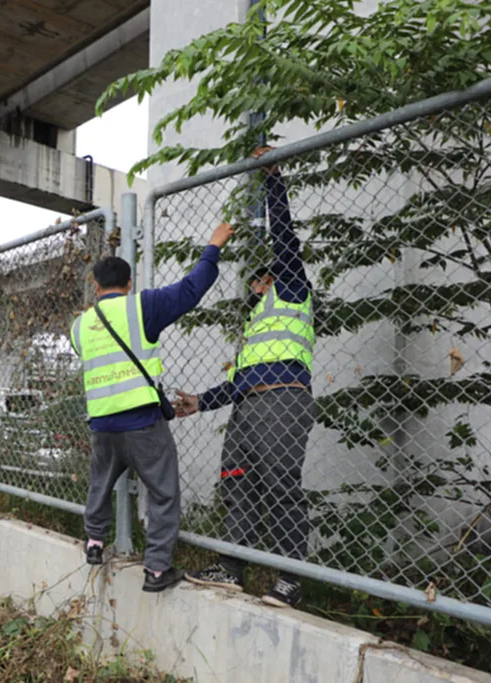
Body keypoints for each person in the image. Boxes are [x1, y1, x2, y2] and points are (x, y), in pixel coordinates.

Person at [176, 146, 316, 609]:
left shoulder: (293, 289)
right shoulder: (254, 329)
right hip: (248, 403)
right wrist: (201, 401)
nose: (253, 287)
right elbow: (237, 383)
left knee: (279, 484)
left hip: (282, 400)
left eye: (259, 280)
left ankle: (290, 579)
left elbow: (286, 242)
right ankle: (231, 569)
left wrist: (274, 180)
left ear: (274, 279)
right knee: (236, 480)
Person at [69, 220, 234, 593]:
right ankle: (157, 570)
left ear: (95, 288)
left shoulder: (80, 325)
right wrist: (213, 246)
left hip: (102, 426)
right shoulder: (142, 306)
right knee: (163, 492)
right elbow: (192, 289)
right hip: (143, 423)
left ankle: (95, 542)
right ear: (129, 284)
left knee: (100, 483)